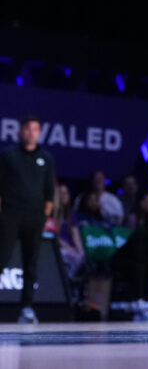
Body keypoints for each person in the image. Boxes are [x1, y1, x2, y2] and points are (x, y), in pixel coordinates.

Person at [0, 116, 56, 324]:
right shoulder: (8, 155)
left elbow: (50, 191)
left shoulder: (46, 158)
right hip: (10, 214)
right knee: (2, 258)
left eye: (35, 129)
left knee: (31, 263)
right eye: (27, 129)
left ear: (39, 133)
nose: (31, 132)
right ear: (20, 132)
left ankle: (27, 307)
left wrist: (46, 212)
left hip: (34, 217)